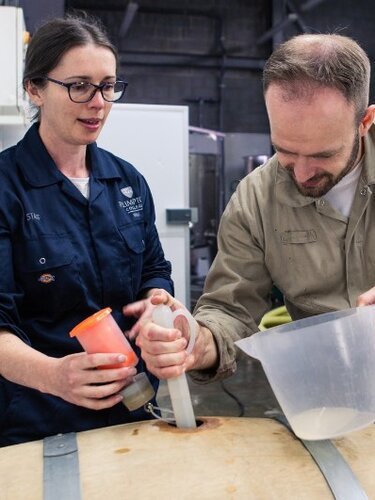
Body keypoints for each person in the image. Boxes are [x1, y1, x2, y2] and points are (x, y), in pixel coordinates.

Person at [126, 33, 375, 384]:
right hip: (328, 392)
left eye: (323, 154)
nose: (302, 173)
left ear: (364, 123)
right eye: (285, 150)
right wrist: (198, 343)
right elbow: (231, 309)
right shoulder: (256, 199)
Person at [0, 14, 173, 446]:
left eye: (108, 86)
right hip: (37, 416)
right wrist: (55, 375)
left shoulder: (127, 180)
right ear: (35, 89)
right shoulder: (7, 187)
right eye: (79, 86)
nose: (98, 102)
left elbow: (154, 267)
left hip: (133, 405)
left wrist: (156, 302)